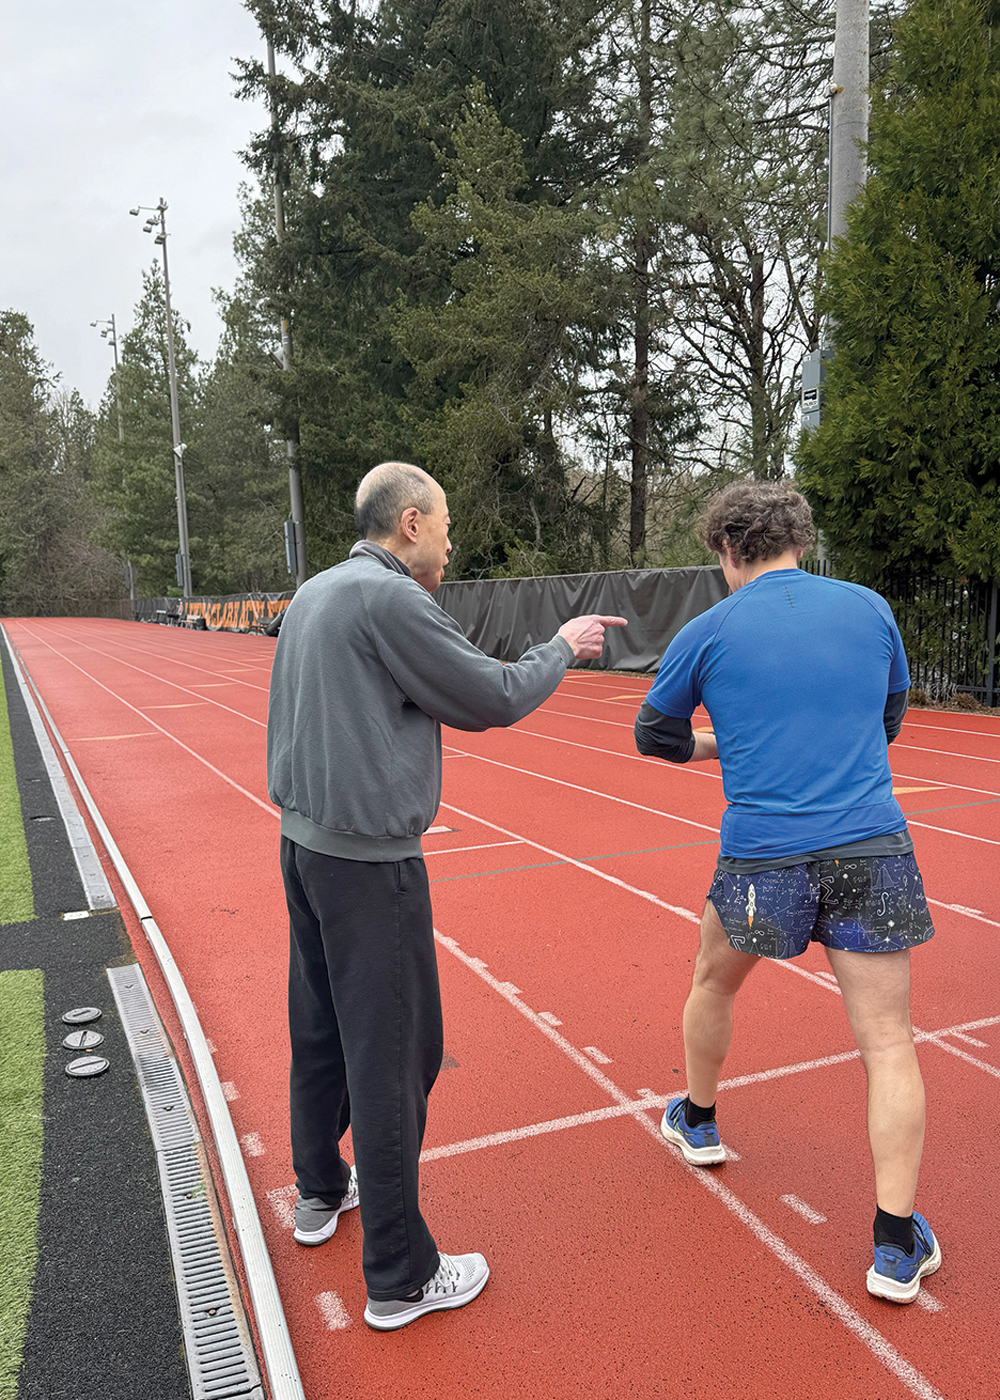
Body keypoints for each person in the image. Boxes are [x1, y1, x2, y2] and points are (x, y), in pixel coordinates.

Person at [267, 460, 625, 1331]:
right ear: (412, 524)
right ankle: (399, 1275)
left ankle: (320, 1194)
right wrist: (563, 647)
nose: (455, 541)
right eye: (448, 522)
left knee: (319, 1032)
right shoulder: (388, 598)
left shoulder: (317, 590)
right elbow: (488, 696)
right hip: (366, 867)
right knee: (397, 1061)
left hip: (304, 846)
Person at [634, 481, 940, 1304]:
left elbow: (652, 735)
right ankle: (894, 1245)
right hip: (871, 849)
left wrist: (718, 747)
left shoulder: (712, 627)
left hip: (763, 859)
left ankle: (697, 1120)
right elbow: (889, 719)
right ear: (798, 540)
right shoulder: (871, 609)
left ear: (729, 551)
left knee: (711, 980)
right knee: (888, 1043)